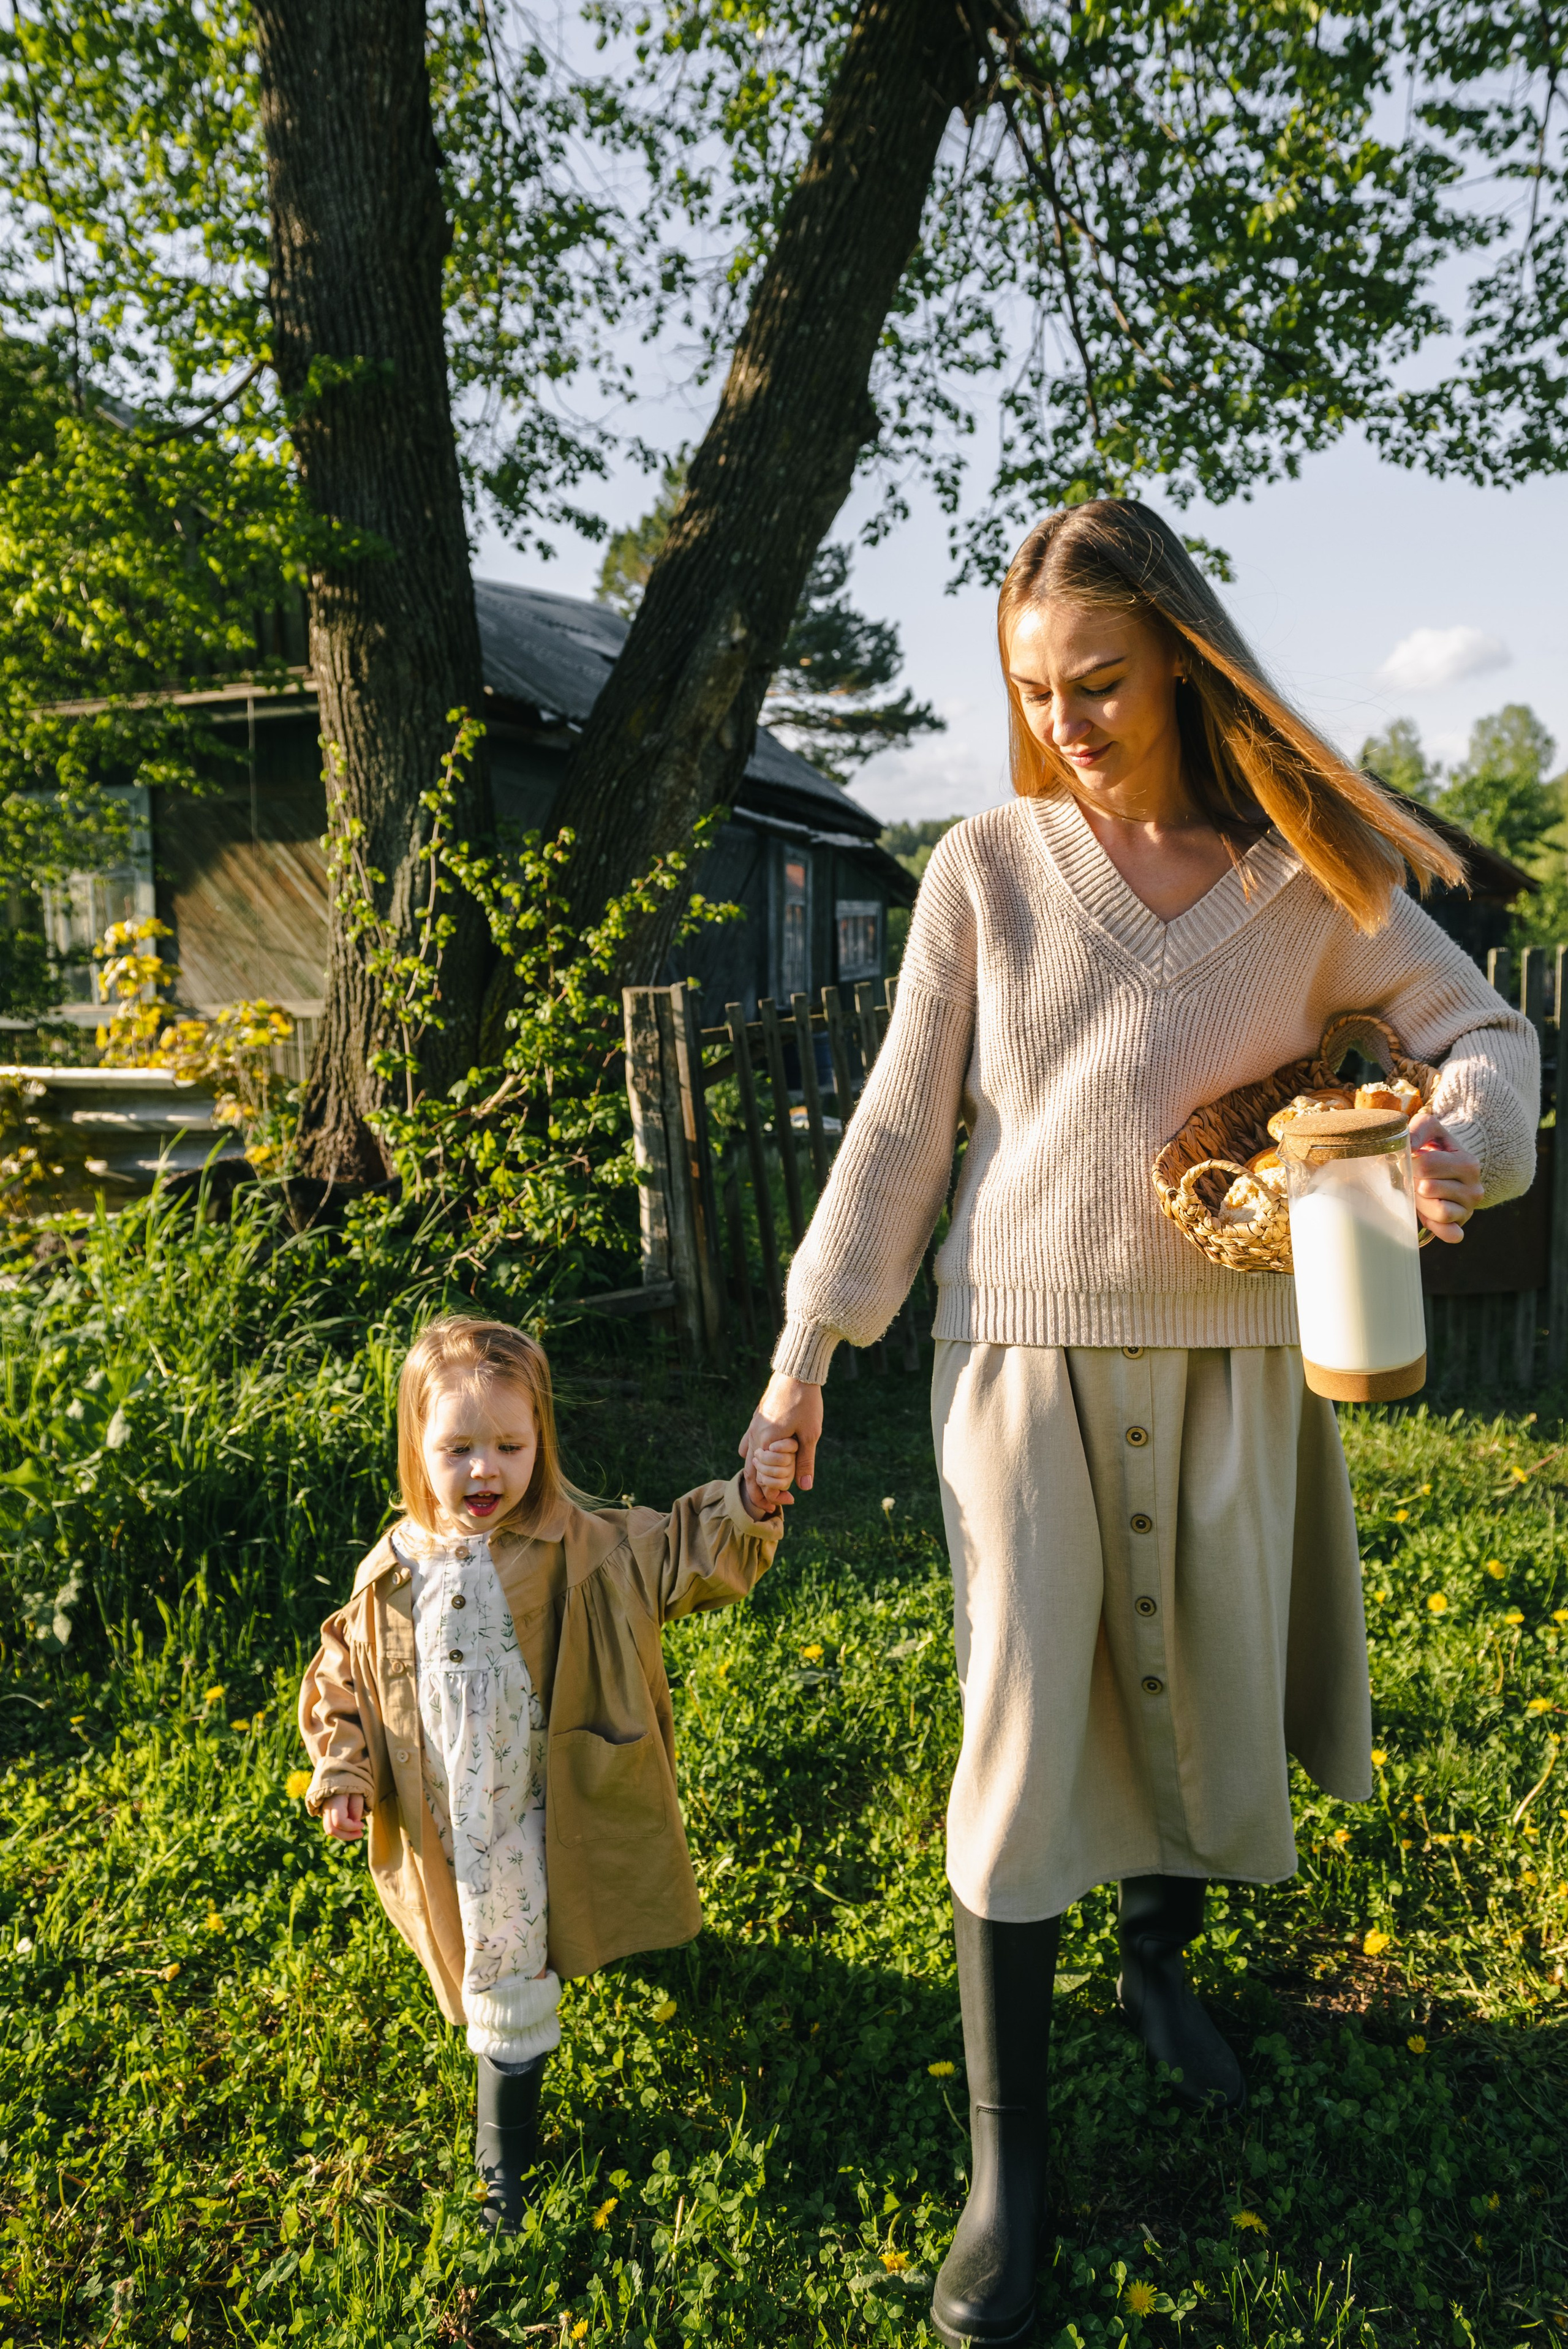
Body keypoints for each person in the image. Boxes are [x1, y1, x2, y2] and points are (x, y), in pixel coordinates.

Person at [739, 499, 1539, 2348]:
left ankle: (1163, 1959)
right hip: (1013, 1356)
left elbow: (1487, 1030)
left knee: (1197, 1675)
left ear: (1179, 652)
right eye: (1037, 690)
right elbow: (894, 1126)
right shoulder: (988, 867)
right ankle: (1011, 2176)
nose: (1070, 719)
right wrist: (803, 1351)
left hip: (1237, 1359)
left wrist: (1455, 1137)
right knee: (1026, 1730)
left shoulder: (1303, 879)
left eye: (1099, 679)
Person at [299, 1314, 795, 2228]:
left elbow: (681, 1548)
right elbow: (344, 1673)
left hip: (538, 1802)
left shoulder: (584, 1550)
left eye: (509, 1445)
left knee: (515, 1959)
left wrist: (749, 1501)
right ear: (418, 1447)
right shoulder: (392, 1575)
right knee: (503, 1960)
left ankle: (502, 2150)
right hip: (454, 1819)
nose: (484, 1469)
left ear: (541, 1443)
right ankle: (508, 2129)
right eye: (458, 1448)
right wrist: (346, 1769)